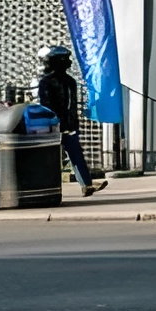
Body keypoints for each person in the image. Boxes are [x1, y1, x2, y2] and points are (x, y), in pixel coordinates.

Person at [36, 45, 106, 198]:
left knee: (76, 154)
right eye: (65, 59)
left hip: (68, 125)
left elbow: (71, 105)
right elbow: (46, 105)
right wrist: (56, 122)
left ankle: (86, 184)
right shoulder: (46, 82)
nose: (69, 63)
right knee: (52, 158)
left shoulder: (69, 81)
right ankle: (47, 187)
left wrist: (72, 122)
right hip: (53, 126)